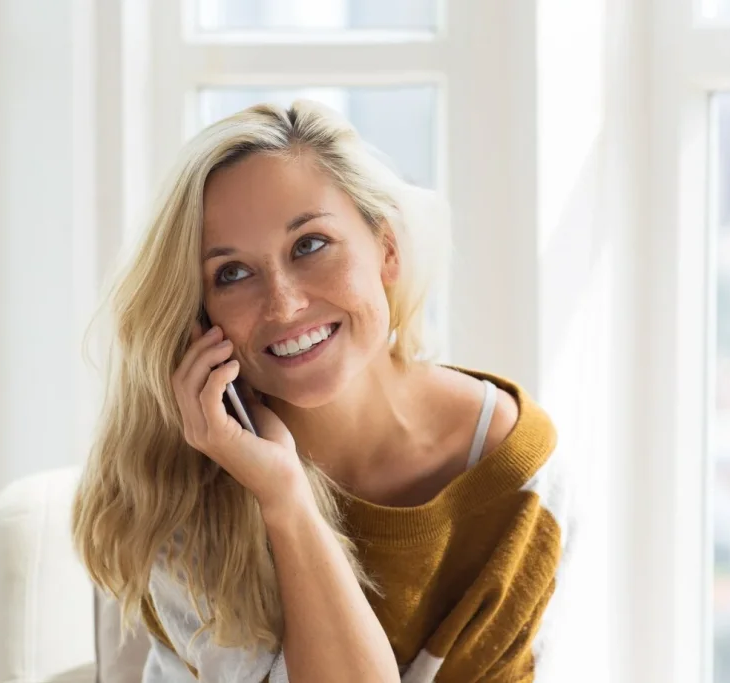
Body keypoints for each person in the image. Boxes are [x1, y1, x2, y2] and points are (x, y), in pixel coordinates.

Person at [72, 100, 577, 683]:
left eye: (309, 245)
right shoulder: (185, 489)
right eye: (231, 274)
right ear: (200, 320)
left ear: (386, 249)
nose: (283, 304)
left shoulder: (520, 477)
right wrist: (282, 496)